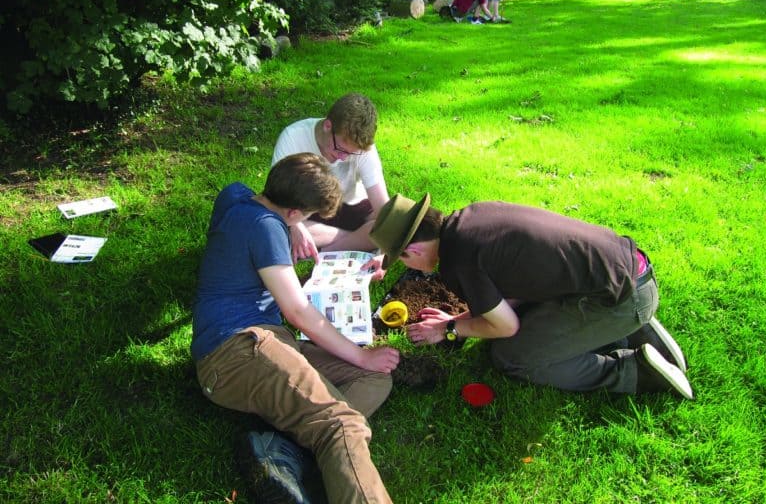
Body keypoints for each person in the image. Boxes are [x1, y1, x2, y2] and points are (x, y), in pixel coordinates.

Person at [192, 153, 400, 504]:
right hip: (236, 350)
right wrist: (361, 356)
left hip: (266, 342)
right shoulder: (265, 226)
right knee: (341, 423)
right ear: (293, 212)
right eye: (306, 217)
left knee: (377, 379)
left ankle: (282, 451)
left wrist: (290, 227)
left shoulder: (237, 195)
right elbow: (299, 312)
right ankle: (322, 443)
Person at [368, 193, 694, 400]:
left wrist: (448, 330)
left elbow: (504, 326)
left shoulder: (458, 261)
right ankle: (635, 332)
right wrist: (457, 319)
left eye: (404, 260)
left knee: (511, 357)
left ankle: (635, 370)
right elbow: (507, 299)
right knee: (527, 326)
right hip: (630, 271)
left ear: (411, 250)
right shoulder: (473, 217)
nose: (412, 267)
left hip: (618, 300)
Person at [272, 93, 389, 267]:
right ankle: (355, 240)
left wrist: (383, 255)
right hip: (307, 213)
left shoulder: (363, 148)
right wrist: (296, 228)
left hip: (350, 207)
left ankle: (329, 250)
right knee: (277, 230)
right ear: (328, 125)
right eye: (340, 148)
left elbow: (384, 210)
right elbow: (275, 199)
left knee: (382, 225)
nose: (343, 158)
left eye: (351, 153)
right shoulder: (293, 137)